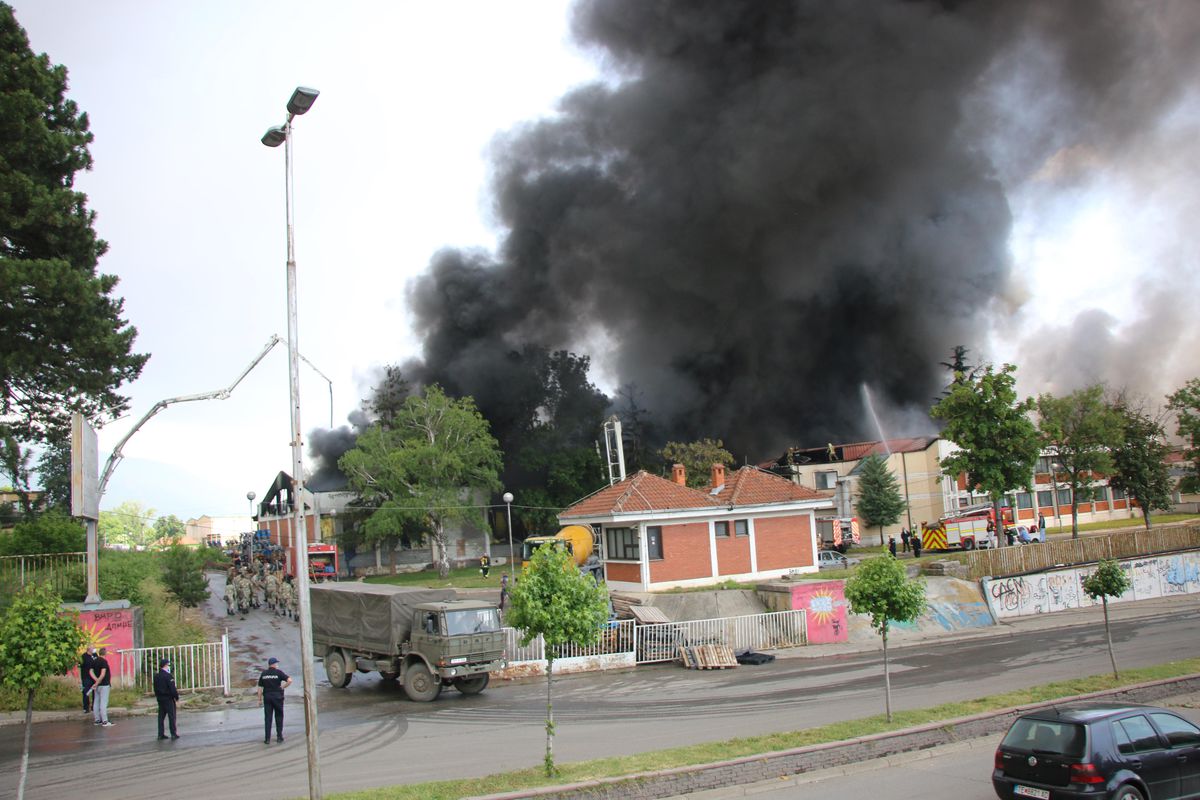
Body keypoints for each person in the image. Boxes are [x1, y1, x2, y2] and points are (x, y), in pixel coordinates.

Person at [257, 657, 292, 744]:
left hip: (267, 697)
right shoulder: (278, 673)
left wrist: (259, 699)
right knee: (279, 716)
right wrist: (282, 687)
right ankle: (279, 737)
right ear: (274, 664)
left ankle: (267, 739)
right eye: (276, 663)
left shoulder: (264, 674)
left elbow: (260, 687)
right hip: (277, 697)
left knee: (268, 718)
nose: (277, 665)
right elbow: (289, 680)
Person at [153, 658, 180, 740]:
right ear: (165, 666)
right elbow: (172, 689)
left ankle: (160, 734)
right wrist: (176, 697)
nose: (169, 667)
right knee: (171, 716)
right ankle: (173, 733)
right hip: (168, 699)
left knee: (161, 717)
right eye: (168, 665)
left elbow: (155, 688)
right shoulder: (168, 676)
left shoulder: (156, 676)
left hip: (160, 699)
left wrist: (158, 696)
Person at [90, 647, 113, 727]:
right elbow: (103, 674)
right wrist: (98, 681)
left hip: (97, 685)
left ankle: (97, 720)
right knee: (103, 703)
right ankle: (105, 721)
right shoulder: (104, 661)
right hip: (104, 685)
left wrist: (96, 681)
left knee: (96, 702)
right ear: (105, 653)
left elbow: (91, 671)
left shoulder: (94, 661)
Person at [80, 645, 96, 714]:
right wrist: (80, 678)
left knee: (95, 693)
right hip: (86, 677)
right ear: (89, 649)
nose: (94, 649)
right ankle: (86, 708)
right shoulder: (83, 656)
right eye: (93, 648)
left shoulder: (95, 655)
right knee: (86, 692)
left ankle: (94, 707)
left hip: (94, 678)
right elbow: (80, 667)